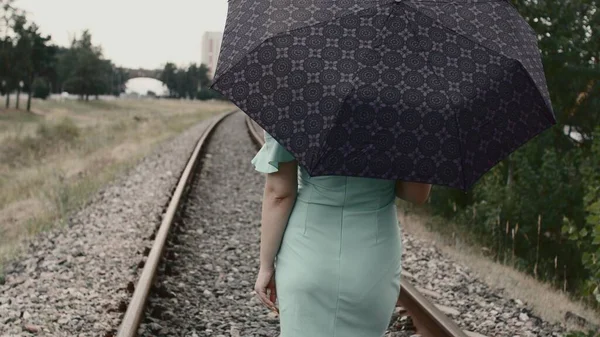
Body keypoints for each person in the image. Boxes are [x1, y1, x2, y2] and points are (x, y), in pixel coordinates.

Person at [252, 131, 432, 337]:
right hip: (372, 261)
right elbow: (416, 195)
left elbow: (279, 194)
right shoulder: (407, 114)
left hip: (307, 252)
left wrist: (266, 266)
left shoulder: (295, 105)